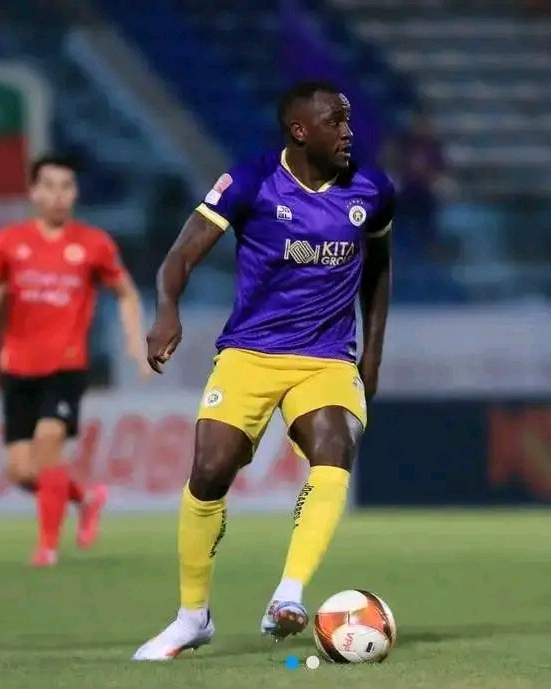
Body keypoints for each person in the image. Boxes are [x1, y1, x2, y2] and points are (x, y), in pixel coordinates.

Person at [133, 80, 393, 661]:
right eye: (335, 121)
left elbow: (379, 273)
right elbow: (181, 254)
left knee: (334, 446)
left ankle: (289, 593)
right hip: (250, 352)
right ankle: (192, 617)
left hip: (326, 357)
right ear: (300, 130)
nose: (348, 132)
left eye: (349, 120)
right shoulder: (251, 181)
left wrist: (372, 354)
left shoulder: (372, 190)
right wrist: (167, 310)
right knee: (210, 469)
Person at [0, 154, 149, 567]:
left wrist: (135, 344)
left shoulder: (93, 243)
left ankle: (46, 548)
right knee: (21, 471)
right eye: (49, 186)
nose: (57, 195)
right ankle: (85, 498)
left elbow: (126, 293)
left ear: (75, 192)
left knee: (49, 443)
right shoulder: (9, 240)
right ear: (34, 191)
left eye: (66, 186)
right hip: (17, 366)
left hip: (66, 365)